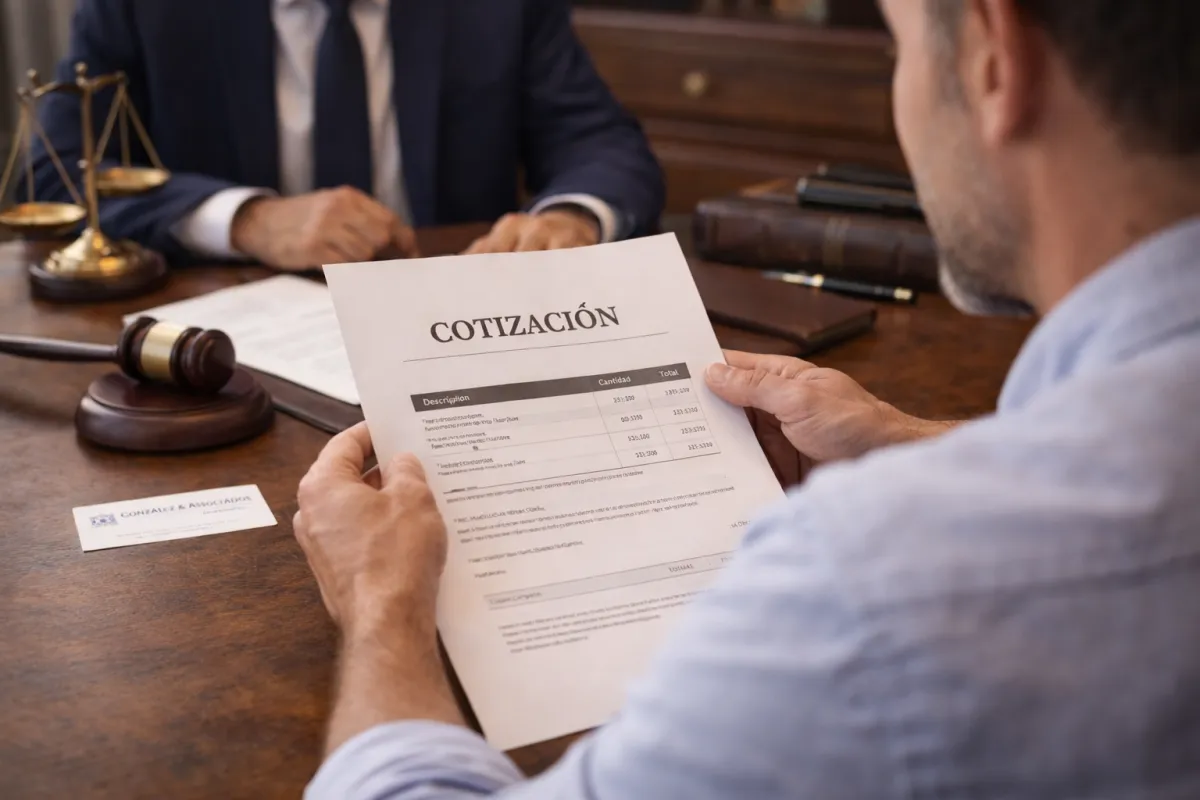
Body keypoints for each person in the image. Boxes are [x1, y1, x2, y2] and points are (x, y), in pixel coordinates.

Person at [292, 0, 1200, 796]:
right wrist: (913, 440)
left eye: (900, 48)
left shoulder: (870, 584)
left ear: (993, 58)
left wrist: (383, 606)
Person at [31, 0, 664, 268]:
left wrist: (572, 218)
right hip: (230, 346)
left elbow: (598, 140)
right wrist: (248, 220)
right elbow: (56, 168)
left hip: (453, 319)